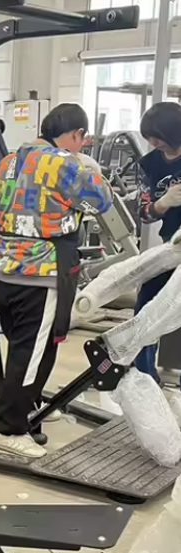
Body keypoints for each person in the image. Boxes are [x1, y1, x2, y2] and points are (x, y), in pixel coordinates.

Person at [0, 103, 113, 458]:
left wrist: (12, 245)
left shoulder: (7, 162)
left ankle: (26, 405)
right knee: (34, 350)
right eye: (82, 140)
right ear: (77, 134)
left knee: (21, 344)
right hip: (43, 273)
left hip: (5, 270)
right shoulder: (66, 164)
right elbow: (102, 201)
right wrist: (92, 170)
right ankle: (10, 429)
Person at [132, 102, 181, 381]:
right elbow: (143, 212)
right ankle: (144, 374)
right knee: (146, 305)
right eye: (149, 137)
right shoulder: (149, 164)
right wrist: (162, 204)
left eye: (158, 136)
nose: (154, 142)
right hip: (172, 247)